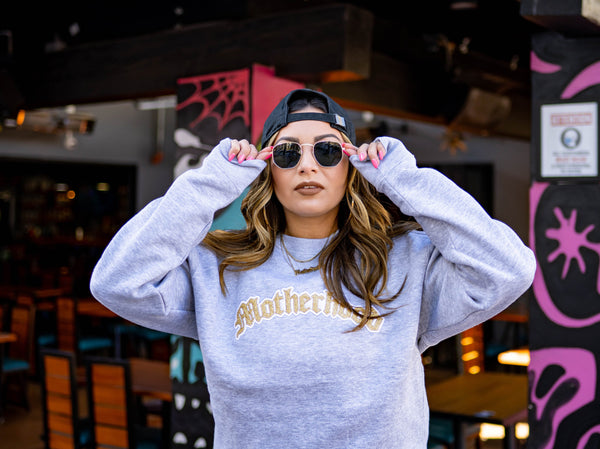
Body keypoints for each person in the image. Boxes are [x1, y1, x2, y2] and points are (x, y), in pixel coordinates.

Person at [90, 88, 536, 448]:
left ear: (350, 167)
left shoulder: (405, 260)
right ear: (268, 170)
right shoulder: (218, 266)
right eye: (287, 153)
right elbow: (116, 282)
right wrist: (210, 184)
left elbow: (509, 268)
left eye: (327, 151)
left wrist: (403, 178)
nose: (307, 165)